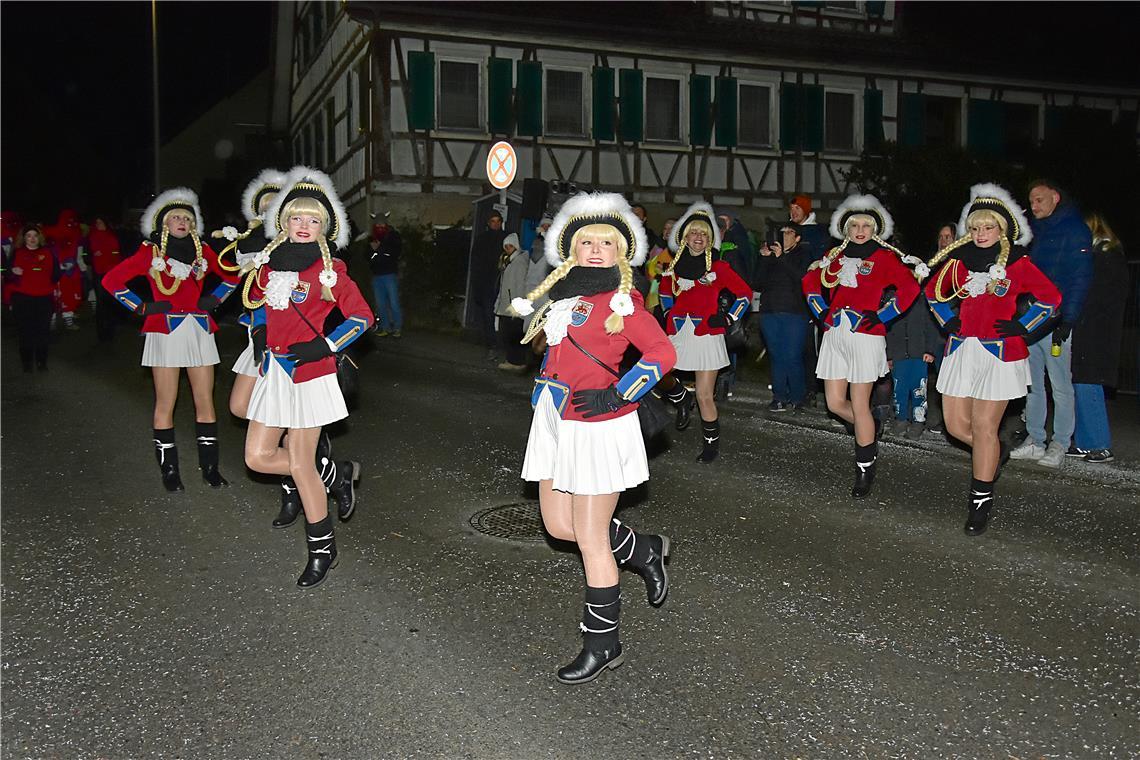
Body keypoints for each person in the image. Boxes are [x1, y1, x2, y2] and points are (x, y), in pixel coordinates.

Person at [508, 191, 676, 684]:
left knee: (590, 539)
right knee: (560, 527)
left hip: (600, 423)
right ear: (573, 250)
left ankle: (603, 644)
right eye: (587, 242)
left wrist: (619, 396)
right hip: (556, 419)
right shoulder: (560, 296)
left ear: (622, 251)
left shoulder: (622, 300)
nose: (597, 249)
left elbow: (662, 353)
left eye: (607, 241)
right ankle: (643, 551)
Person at [241, 166, 372, 588]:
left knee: (300, 464)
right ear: (284, 220)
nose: (304, 226)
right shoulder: (268, 264)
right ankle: (333, 471)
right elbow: (259, 304)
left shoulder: (331, 271)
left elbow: (363, 316)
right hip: (274, 371)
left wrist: (327, 345)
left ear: (324, 227)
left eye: (313, 220)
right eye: (297, 217)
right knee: (257, 457)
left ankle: (322, 548)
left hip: (311, 373)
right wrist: (260, 330)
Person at [924, 183, 1061, 535]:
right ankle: (994, 453)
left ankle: (979, 503)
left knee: (985, 427)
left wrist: (1022, 325)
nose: (981, 234)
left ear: (1002, 229)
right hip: (960, 349)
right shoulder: (958, 259)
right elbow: (932, 292)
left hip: (999, 353)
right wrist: (948, 319)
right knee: (955, 426)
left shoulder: (1017, 261)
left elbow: (1050, 298)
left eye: (988, 227)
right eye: (975, 228)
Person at [101, 188, 240, 491]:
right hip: (164, 331)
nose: (181, 221)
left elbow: (233, 274)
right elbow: (110, 280)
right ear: (164, 224)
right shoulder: (149, 252)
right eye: (175, 217)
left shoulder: (203, 251)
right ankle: (170, 471)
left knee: (205, 401)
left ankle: (210, 468)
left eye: (187, 218)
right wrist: (141, 307)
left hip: (200, 331)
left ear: (193, 224)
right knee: (166, 403)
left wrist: (214, 299)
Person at [801, 194, 923, 498]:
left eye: (866, 225)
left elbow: (909, 289)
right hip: (835, 334)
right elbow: (809, 282)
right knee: (833, 403)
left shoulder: (884, 258)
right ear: (845, 228)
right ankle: (869, 428)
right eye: (854, 224)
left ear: (875, 229)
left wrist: (882, 315)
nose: (859, 229)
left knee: (858, 403)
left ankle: (865, 469)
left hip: (866, 335)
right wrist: (821, 312)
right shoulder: (835, 256)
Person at [659, 202, 753, 462]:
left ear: (710, 238)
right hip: (678, 330)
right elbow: (665, 292)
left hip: (707, 332)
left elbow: (745, 294)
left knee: (704, 395)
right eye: (693, 233)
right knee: (659, 374)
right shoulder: (673, 267)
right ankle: (679, 398)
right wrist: (668, 313)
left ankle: (710, 446)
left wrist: (728, 317)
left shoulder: (719, 268)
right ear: (685, 237)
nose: (698, 238)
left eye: (703, 234)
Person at [1009, 179, 1093, 469]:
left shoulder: (1075, 230)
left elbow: (1079, 278)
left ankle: (1060, 442)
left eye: (1039, 200)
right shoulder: (1033, 231)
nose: (1033, 206)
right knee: (1032, 384)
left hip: (1056, 319)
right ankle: (1034, 439)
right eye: (1031, 201)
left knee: (1060, 385)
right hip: (1030, 318)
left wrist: (1068, 318)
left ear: (1055, 197)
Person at [1069, 213, 1128, 463]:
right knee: (1082, 383)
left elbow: (1098, 297)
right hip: (1089, 329)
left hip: (1096, 331)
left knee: (1089, 383)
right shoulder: (1100, 256)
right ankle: (1084, 442)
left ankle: (1100, 444)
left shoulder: (1105, 256)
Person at [755, 221, 815, 412]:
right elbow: (756, 283)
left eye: (789, 232)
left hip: (795, 313)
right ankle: (779, 397)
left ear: (797, 238)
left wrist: (781, 258)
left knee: (792, 356)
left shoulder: (803, 255)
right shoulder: (772, 256)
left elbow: (802, 278)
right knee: (776, 356)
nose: (784, 235)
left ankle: (798, 397)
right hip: (769, 312)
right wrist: (764, 259)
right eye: (782, 232)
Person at [884, 287, 942, 439]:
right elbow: (887, 328)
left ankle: (918, 422)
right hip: (898, 353)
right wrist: (889, 355)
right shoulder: (892, 298)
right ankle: (901, 420)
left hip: (919, 353)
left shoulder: (923, 299)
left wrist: (930, 350)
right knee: (899, 390)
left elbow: (931, 326)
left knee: (919, 390)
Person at [9, 225, 58, 371]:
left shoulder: (48, 252)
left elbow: (56, 274)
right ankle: (27, 362)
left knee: (42, 331)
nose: (32, 239)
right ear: (24, 238)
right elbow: (5, 272)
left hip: (44, 298)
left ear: (39, 237)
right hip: (23, 298)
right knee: (25, 331)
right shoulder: (17, 253)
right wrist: (11, 272)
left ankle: (41, 362)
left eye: (35, 235)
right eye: (28, 235)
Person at [469, 212, 508, 359]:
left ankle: (502, 345)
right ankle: (492, 345)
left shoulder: (506, 238)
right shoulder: (481, 239)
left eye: (498, 221)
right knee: (488, 314)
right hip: (486, 283)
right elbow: (476, 263)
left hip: (502, 282)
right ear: (488, 223)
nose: (496, 224)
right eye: (493, 221)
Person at [43, 208, 84, 330]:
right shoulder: (50, 232)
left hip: (70, 271)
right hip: (54, 270)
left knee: (69, 295)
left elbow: (78, 252)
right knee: (53, 295)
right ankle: (52, 320)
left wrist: (81, 267)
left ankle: (68, 320)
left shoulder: (77, 233)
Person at [494, 232, 529, 371]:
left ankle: (515, 361)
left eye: (510, 246)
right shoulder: (511, 261)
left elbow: (519, 285)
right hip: (508, 305)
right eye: (506, 246)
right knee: (509, 334)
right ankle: (514, 360)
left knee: (512, 334)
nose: (507, 248)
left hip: (513, 306)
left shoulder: (519, 262)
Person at [87, 216, 122, 343]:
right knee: (101, 303)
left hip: (112, 273)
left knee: (111, 301)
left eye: (100, 222)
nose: (98, 225)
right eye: (96, 223)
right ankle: (102, 332)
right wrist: (94, 254)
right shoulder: (93, 236)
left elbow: (116, 253)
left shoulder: (111, 236)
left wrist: (107, 253)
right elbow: (89, 254)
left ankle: (111, 328)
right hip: (99, 273)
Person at [368, 220, 403, 337]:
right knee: (380, 304)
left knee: (394, 303)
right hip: (377, 276)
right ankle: (385, 328)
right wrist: (373, 251)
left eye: (382, 224)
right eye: (378, 224)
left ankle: (397, 328)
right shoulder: (372, 237)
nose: (380, 226)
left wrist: (379, 249)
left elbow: (395, 253)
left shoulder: (393, 236)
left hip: (390, 274)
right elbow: (368, 257)